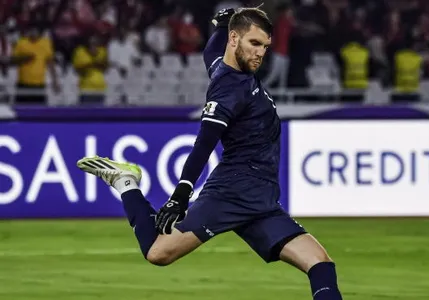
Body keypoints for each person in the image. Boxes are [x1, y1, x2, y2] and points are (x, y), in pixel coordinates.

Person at [77, 7, 343, 300]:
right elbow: (204, 144)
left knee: (320, 264)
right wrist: (181, 195)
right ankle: (126, 183)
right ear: (235, 39)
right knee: (157, 253)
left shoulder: (225, 68)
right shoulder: (229, 88)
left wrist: (219, 24)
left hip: (262, 200)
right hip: (232, 193)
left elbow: (211, 52)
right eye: (254, 43)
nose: (260, 53)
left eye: (265, 47)